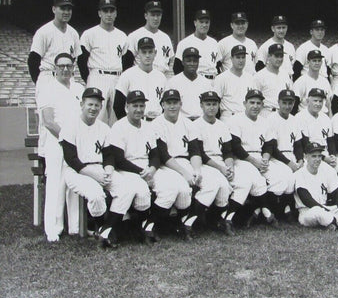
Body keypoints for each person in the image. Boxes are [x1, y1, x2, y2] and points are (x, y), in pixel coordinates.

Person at [151, 89, 232, 239]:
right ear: (162, 104)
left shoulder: (188, 123)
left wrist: (196, 170)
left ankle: (189, 222)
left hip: (188, 161)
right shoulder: (157, 124)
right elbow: (163, 155)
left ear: (181, 104)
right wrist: (185, 173)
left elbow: (195, 151)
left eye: (175, 102)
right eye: (169, 103)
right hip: (167, 165)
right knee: (180, 190)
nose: (172, 106)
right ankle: (154, 225)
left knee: (217, 183)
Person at [60, 87, 134, 249]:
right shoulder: (70, 126)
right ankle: (102, 227)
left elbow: (108, 155)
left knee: (127, 189)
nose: (93, 108)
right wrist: (95, 175)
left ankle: (106, 229)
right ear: (82, 104)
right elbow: (71, 159)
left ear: (101, 107)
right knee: (96, 195)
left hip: (100, 168)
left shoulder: (103, 128)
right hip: (77, 171)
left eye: (97, 105)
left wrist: (108, 170)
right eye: (90, 104)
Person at [107, 90, 180, 243]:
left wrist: (152, 170)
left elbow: (155, 154)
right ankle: (124, 228)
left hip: (148, 168)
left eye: (142, 106)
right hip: (127, 169)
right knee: (142, 196)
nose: (139, 109)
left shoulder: (148, 126)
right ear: (127, 107)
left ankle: (148, 225)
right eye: (135, 106)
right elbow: (119, 160)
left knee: (171, 188)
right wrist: (143, 173)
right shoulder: (118, 127)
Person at [194, 90, 263, 234]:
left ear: (219, 105)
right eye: (208, 104)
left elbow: (227, 151)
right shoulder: (196, 125)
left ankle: (226, 219)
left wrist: (229, 167)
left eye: (214, 104)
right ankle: (198, 221)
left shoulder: (222, 125)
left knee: (245, 181)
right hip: (205, 163)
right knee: (221, 185)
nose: (211, 107)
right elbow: (200, 154)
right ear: (201, 105)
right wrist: (221, 168)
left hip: (222, 162)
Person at [227, 89, 293, 227]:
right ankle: (264, 211)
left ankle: (258, 210)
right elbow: (235, 146)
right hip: (242, 159)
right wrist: (254, 162)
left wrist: (265, 159)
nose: (255, 106)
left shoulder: (265, 121)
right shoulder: (235, 120)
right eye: (252, 102)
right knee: (254, 179)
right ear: (244, 103)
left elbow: (269, 144)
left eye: (258, 103)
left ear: (263, 105)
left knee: (283, 177)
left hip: (260, 157)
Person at [37, 53, 84, 242]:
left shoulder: (79, 88)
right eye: (61, 66)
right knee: (56, 184)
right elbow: (48, 121)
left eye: (68, 65)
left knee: (74, 183)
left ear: (73, 67)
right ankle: (53, 229)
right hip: (56, 144)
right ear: (54, 68)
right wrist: (66, 140)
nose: (65, 69)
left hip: (75, 144)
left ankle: (75, 226)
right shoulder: (47, 89)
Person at [28, 0, 81, 158]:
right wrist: (43, 83)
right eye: (62, 8)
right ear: (54, 9)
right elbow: (33, 61)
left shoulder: (73, 33)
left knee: (68, 116)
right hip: (48, 75)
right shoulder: (44, 31)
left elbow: (76, 58)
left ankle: (71, 152)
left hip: (66, 76)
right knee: (47, 122)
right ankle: (44, 159)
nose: (66, 11)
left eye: (68, 8)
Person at [78, 0, 128, 125]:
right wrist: (89, 78)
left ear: (116, 13)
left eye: (111, 11)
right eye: (105, 11)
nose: (109, 14)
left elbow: (126, 61)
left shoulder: (122, 36)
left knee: (117, 119)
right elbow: (81, 60)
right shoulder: (89, 34)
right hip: (97, 76)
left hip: (117, 77)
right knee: (96, 116)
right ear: (100, 13)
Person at [293, 142, 338, 230]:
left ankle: (333, 222)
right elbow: (307, 200)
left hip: (327, 208)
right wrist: (329, 212)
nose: (317, 159)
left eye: (319, 156)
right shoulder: (299, 174)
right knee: (317, 212)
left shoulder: (326, 171)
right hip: (308, 211)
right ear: (306, 157)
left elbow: (337, 193)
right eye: (313, 156)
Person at [264, 89, 304, 219]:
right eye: (284, 102)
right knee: (286, 176)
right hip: (276, 158)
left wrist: (300, 160)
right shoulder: (271, 119)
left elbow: (298, 144)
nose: (287, 106)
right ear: (278, 102)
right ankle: (277, 209)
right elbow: (273, 148)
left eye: (290, 103)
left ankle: (291, 208)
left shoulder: (295, 120)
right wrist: (289, 163)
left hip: (291, 155)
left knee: (304, 173)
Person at [114, 37, 166, 121]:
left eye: (150, 52)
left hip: (157, 123)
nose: (147, 55)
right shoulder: (127, 75)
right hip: (136, 122)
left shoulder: (161, 77)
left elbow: (165, 104)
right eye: (144, 52)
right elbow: (117, 105)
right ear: (138, 53)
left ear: (155, 53)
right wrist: (128, 124)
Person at [125, 1, 174, 76]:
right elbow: (127, 63)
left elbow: (170, 63)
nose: (156, 18)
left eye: (158, 15)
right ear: (146, 16)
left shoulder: (165, 37)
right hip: (141, 76)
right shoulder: (134, 36)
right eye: (152, 15)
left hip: (162, 77)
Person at [294, 88, 337, 170]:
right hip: (309, 155)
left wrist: (333, 155)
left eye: (320, 101)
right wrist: (324, 158)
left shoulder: (325, 118)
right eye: (315, 100)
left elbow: (331, 141)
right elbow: (305, 144)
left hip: (325, 153)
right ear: (308, 101)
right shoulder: (300, 117)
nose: (318, 104)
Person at [165, 47, 212, 120]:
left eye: (195, 61)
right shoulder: (173, 82)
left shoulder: (206, 83)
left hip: (201, 122)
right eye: (189, 61)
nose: (192, 64)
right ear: (182, 62)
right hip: (181, 122)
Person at [213, 44, 255, 122]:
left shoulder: (251, 78)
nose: (241, 60)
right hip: (229, 117)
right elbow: (215, 102)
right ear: (231, 58)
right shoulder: (221, 78)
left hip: (246, 118)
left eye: (243, 57)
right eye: (238, 57)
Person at [174, 9, 219, 80]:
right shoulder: (184, 43)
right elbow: (177, 67)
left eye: (206, 22)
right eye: (201, 22)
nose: (204, 25)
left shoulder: (214, 43)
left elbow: (218, 65)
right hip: (195, 80)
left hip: (213, 80)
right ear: (195, 23)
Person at [252, 43, 293, 118]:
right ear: (269, 56)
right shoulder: (259, 76)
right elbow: (253, 100)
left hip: (282, 114)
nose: (279, 59)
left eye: (281, 56)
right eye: (276, 56)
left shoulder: (285, 75)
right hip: (266, 113)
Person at [293, 50, 332, 115]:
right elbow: (294, 106)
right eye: (314, 61)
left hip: (323, 118)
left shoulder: (325, 81)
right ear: (308, 62)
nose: (317, 63)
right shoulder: (301, 81)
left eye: (319, 61)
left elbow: (329, 105)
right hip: (306, 118)